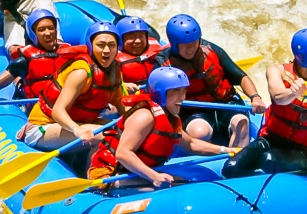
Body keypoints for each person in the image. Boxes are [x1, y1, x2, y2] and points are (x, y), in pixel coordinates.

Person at [222, 28, 307, 189]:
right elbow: (278, 97)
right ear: (302, 57)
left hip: (305, 152)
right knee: (231, 167)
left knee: (268, 161)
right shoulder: (277, 71)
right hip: (270, 141)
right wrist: (294, 92)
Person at [87, 67, 232, 186]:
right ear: (160, 94)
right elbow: (123, 153)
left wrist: (227, 150)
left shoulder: (169, 118)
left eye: (183, 91)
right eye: (176, 91)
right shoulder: (144, 116)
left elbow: (191, 144)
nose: (182, 97)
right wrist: (153, 176)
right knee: (175, 185)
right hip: (110, 173)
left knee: (181, 182)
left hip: (132, 171)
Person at [155, 14, 267, 148]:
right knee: (199, 132)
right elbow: (157, 97)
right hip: (193, 110)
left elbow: (240, 76)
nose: (191, 48)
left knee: (242, 123)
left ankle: (236, 162)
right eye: (185, 45)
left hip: (227, 103)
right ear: (174, 44)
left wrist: (255, 97)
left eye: (194, 43)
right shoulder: (162, 64)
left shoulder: (211, 50)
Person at [18, 21, 125, 156]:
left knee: (124, 133)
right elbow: (58, 111)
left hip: (79, 123)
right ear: (91, 46)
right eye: (100, 45)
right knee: (108, 136)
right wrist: (77, 130)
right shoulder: (81, 72)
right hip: (44, 126)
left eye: (111, 45)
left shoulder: (115, 70)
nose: (106, 51)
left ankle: (95, 167)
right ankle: (94, 173)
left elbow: (121, 105)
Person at [0, 9, 69, 107]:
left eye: (51, 28)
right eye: (41, 30)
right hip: (39, 110)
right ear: (33, 34)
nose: (48, 33)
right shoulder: (24, 61)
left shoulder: (70, 53)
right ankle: (18, 81)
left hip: (66, 107)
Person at [115, 16, 163, 92]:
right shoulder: (113, 59)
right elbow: (105, 82)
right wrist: (121, 85)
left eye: (141, 36)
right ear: (120, 40)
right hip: (132, 97)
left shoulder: (157, 49)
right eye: (132, 36)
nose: (138, 41)